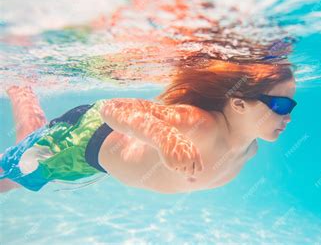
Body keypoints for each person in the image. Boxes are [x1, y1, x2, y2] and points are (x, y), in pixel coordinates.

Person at [0, 58, 296, 193]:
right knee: (9, 179)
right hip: (81, 140)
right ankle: (19, 88)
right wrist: (165, 139)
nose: (289, 116)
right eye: (281, 105)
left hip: (100, 160)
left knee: (22, 164)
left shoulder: (249, 150)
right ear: (239, 103)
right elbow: (111, 108)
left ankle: (22, 91)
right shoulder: (200, 125)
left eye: (292, 105)